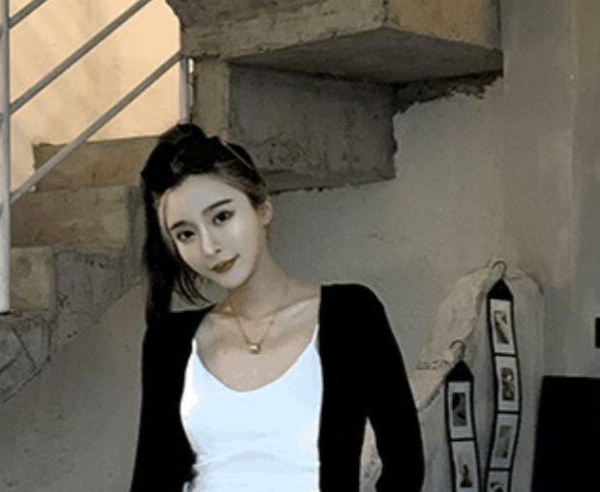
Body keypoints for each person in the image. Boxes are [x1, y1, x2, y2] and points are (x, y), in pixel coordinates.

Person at [130, 123, 425, 491]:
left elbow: (405, 465)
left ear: (263, 207)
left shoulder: (351, 315)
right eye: (186, 234)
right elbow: (151, 481)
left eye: (222, 217)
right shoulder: (168, 342)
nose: (209, 247)